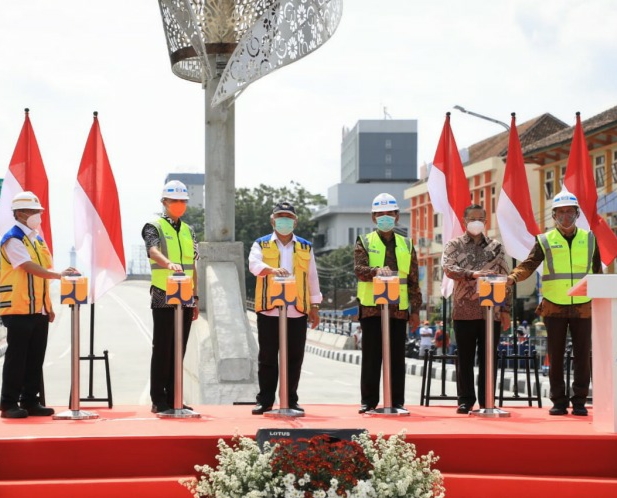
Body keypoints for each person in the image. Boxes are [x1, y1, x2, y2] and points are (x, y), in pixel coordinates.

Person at [507, 191, 601, 416]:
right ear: (554, 215)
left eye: (570, 212)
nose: (566, 216)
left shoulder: (589, 238)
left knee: (582, 355)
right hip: (554, 304)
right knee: (555, 354)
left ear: (577, 213)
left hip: (583, 304)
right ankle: (559, 401)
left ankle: (579, 401)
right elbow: (528, 265)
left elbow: (597, 271)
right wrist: (511, 278)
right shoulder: (545, 240)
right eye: (561, 212)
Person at [0, 192, 77, 419]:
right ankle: (8, 402)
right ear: (20, 213)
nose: (38, 215)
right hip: (18, 308)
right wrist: (58, 275)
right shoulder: (13, 239)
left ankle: (31, 400)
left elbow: (40, 277)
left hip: (38, 309)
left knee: (35, 357)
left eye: (39, 212)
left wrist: (48, 307)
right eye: (34, 212)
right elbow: (28, 267)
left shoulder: (37, 240)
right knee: (17, 358)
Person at [248, 201, 322, 414]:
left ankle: (290, 399)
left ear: (295, 221)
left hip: (296, 308)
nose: (284, 220)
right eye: (280, 216)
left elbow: (312, 277)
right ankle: (265, 400)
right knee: (268, 357)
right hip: (270, 307)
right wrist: (271, 270)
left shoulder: (305, 246)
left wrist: (315, 305)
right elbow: (254, 265)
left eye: (288, 217)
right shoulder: (261, 244)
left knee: (294, 357)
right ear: (273, 220)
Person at [354, 193, 422, 413]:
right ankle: (369, 402)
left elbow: (413, 280)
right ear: (374, 218)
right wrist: (376, 271)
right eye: (380, 214)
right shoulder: (364, 241)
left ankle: (396, 402)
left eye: (389, 213)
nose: (385, 217)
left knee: (396, 357)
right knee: (372, 357)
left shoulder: (406, 244)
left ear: (397, 216)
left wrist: (415, 311)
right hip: (372, 308)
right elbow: (359, 270)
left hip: (398, 310)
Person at [442, 204, 511, 414]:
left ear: (486, 221)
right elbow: (448, 268)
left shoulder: (496, 247)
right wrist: (472, 274)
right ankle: (465, 400)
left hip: (492, 312)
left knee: (490, 357)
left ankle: (487, 399)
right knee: (464, 357)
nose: (476, 222)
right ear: (464, 221)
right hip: (464, 310)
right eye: (472, 218)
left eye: (480, 218)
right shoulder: (454, 245)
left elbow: (505, 278)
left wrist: (506, 309)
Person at [141, 180, 199, 414]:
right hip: (163, 292)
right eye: (174, 201)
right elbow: (152, 250)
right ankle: (159, 399)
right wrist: (168, 263)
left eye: (182, 201)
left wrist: (196, 297)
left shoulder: (188, 230)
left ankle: (176, 397)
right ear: (164, 202)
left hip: (185, 293)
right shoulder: (152, 226)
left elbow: (193, 263)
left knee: (179, 348)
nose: (178, 205)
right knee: (163, 347)